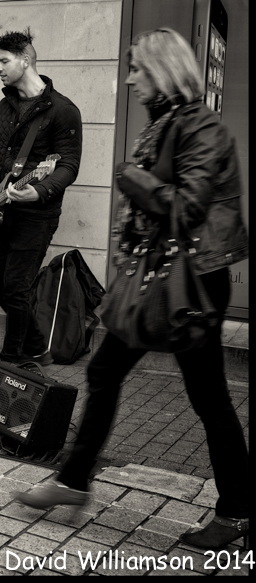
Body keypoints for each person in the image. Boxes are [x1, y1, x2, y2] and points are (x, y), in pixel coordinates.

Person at [13, 28, 249, 550]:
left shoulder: (200, 126)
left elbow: (188, 207)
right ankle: (73, 481)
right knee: (104, 371)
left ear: (163, 71)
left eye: (138, 69)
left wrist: (132, 178)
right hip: (155, 277)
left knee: (209, 397)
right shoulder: (167, 124)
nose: (129, 80)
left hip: (187, 286)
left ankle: (237, 510)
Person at [0, 28, 82, 369]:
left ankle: (11, 364)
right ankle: (36, 347)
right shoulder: (5, 106)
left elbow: (69, 165)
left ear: (26, 60)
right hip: (1, 208)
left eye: (4, 61)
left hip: (36, 214)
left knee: (17, 288)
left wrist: (40, 191)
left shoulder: (63, 110)